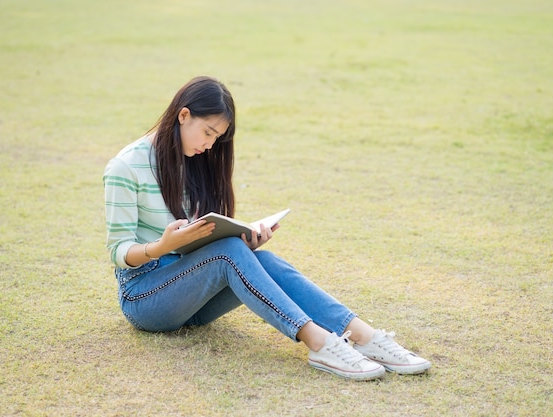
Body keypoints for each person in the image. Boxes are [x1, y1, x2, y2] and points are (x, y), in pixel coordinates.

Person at [103, 76, 431, 380]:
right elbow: (119, 252)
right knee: (229, 253)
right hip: (145, 298)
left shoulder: (193, 161)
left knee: (265, 260)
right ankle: (320, 344)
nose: (209, 145)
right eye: (208, 132)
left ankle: (365, 336)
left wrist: (244, 241)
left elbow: (206, 248)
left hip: (193, 299)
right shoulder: (125, 166)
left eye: (216, 138)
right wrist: (161, 246)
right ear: (183, 115)